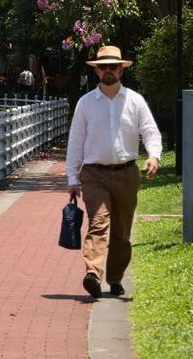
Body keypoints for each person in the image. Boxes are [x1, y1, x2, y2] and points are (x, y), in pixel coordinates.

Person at [66, 45, 162, 300]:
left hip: (127, 173)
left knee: (121, 232)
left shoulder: (135, 100)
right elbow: (76, 142)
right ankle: (93, 275)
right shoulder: (85, 104)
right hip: (94, 174)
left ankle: (115, 278)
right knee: (98, 224)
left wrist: (154, 155)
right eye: (103, 67)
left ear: (121, 69)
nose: (108, 71)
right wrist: (72, 178)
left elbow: (150, 132)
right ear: (97, 71)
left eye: (113, 66)